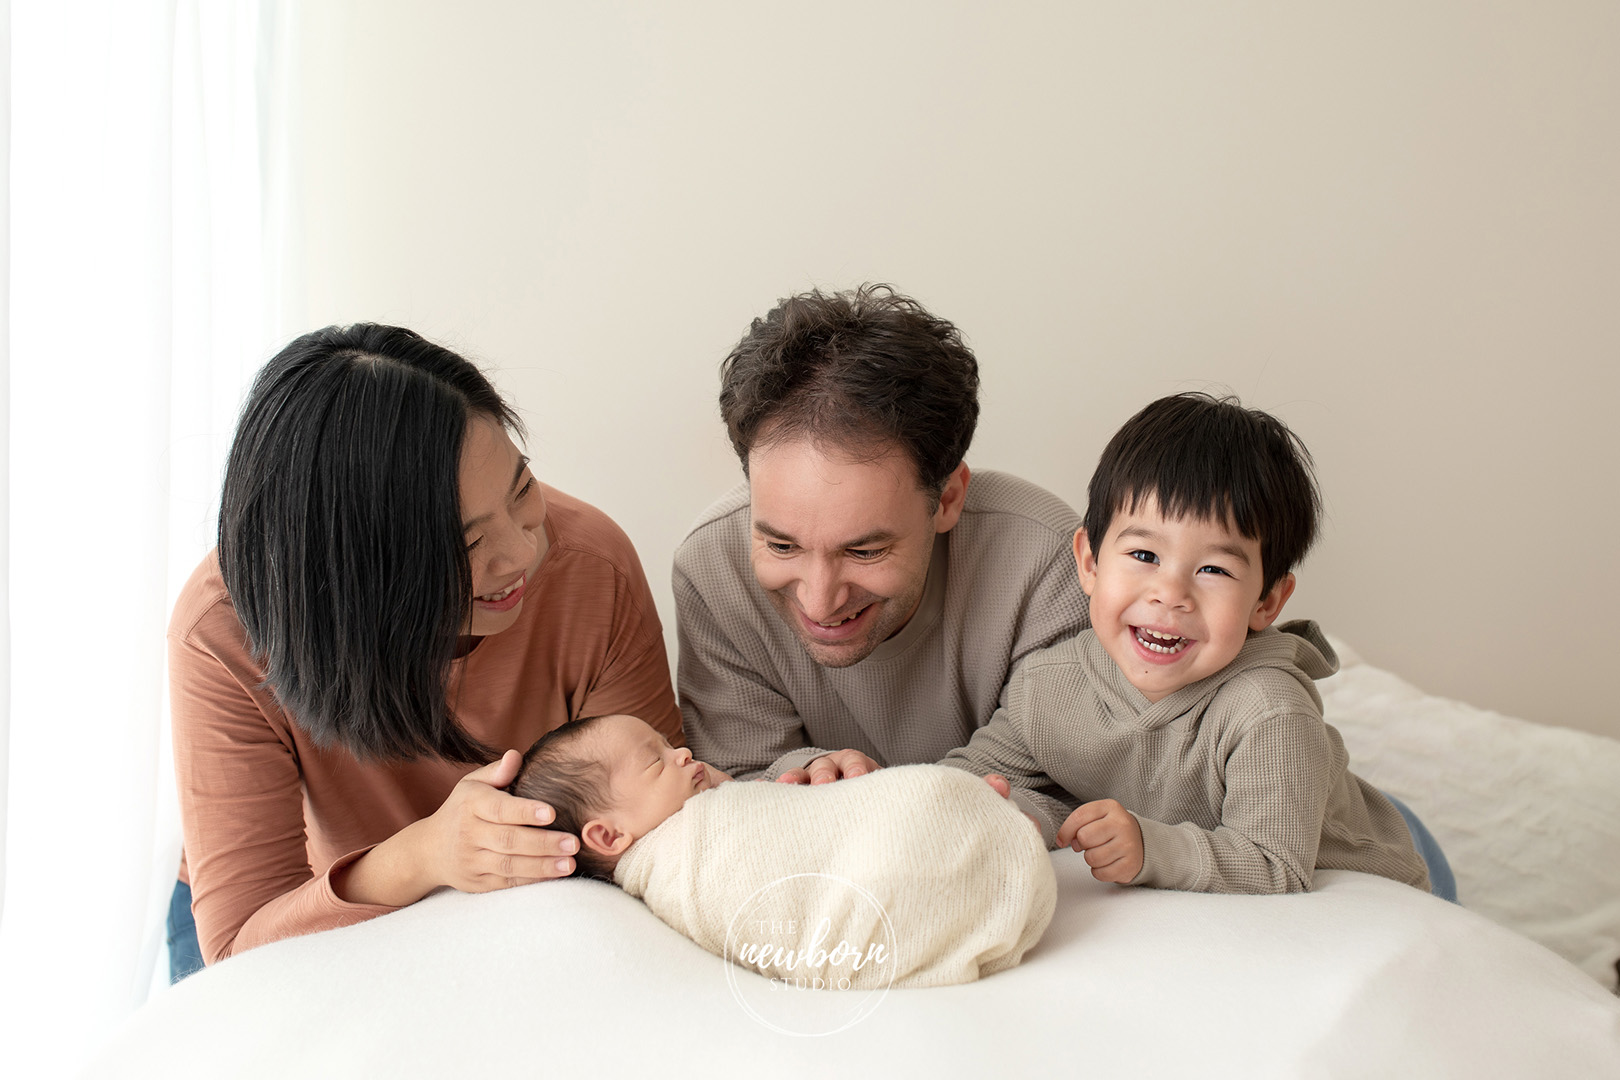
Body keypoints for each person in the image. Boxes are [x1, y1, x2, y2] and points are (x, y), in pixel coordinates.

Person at [167, 324, 683, 975]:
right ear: (354, 571)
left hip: (520, 905)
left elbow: (661, 829)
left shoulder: (590, 567)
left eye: (521, 490)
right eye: (465, 545)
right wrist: (423, 856)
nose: (524, 552)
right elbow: (242, 944)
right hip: (309, 915)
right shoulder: (223, 632)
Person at [943, 392, 1456, 898]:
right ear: (1090, 562)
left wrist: (1150, 848)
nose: (1170, 593)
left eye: (1213, 569)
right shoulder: (1048, 685)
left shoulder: (1269, 712)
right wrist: (910, 796)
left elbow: (1274, 863)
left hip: (1376, 861)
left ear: (1267, 601)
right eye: (1144, 554)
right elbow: (974, 779)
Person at [675, 284, 1090, 787]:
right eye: (782, 546)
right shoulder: (711, 568)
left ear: (949, 499)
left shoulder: (1045, 557)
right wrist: (794, 776)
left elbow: (1062, 781)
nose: (820, 600)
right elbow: (735, 781)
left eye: (865, 550)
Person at [509, 713, 1055, 988]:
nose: (681, 753)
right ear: (609, 837)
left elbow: (811, 825)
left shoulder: (717, 808)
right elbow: (770, 910)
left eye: (670, 744)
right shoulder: (686, 865)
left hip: (937, 822)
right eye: (656, 761)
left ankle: (976, 853)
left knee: (920, 804)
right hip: (900, 872)